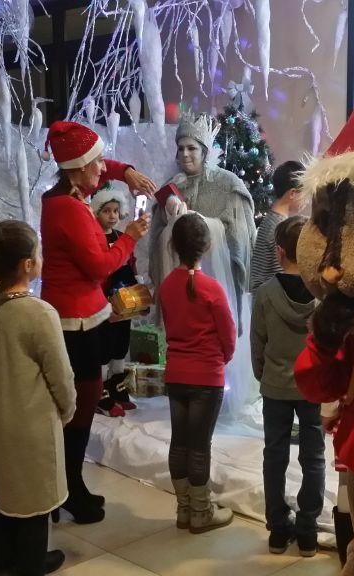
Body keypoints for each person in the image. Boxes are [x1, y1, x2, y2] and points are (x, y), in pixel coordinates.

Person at [39, 120, 154, 524]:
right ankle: (69, 488)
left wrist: (127, 172)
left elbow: (103, 170)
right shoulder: (69, 210)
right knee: (80, 406)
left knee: (83, 402)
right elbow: (99, 265)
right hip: (76, 323)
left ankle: (70, 485)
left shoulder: (65, 195)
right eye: (98, 162)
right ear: (77, 168)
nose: (104, 167)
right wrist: (131, 235)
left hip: (82, 316)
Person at [0, 220, 75, 576]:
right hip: (32, 424)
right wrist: (68, 409)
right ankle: (31, 564)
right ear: (28, 264)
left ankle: (13, 559)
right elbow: (60, 375)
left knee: (9, 496)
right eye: (40, 253)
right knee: (35, 503)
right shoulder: (39, 313)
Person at [149, 111, 258, 416]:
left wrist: (202, 224)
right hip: (183, 280)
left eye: (192, 148)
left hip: (218, 278)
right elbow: (157, 235)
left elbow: (240, 234)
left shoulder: (227, 184)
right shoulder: (173, 185)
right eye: (180, 148)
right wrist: (171, 218)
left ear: (205, 151)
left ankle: (224, 392)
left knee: (218, 329)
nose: (185, 154)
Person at [250, 215, 323, 556]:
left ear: (279, 252)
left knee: (274, 455)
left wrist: (262, 374)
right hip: (313, 386)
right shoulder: (322, 295)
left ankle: (278, 529)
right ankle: (307, 531)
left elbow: (258, 341)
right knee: (314, 456)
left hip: (275, 385)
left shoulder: (266, 293)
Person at [160, 212, 236, 534]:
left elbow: (169, 327)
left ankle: (184, 509)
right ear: (207, 247)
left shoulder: (167, 286)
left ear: (173, 246)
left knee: (179, 442)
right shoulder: (212, 288)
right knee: (199, 445)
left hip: (176, 374)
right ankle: (201, 513)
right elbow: (228, 336)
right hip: (206, 375)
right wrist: (222, 359)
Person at [91, 188, 141, 417]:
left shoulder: (122, 237)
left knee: (121, 342)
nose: (112, 216)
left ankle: (117, 384)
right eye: (107, 211)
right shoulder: (94, 238)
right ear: (96, 212)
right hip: (104, 301)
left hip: (125, 299)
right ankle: (100, 391)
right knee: (105, 345)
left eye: (115, 211)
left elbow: (130, 263)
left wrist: (137, 287)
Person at [248, 161, 304, 292]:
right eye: (305, 193)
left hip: (264, 295)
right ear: (292, 193)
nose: (307, 199)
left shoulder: (272, 218)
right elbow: (283, 274)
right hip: (269, 299)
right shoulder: (281, 228)